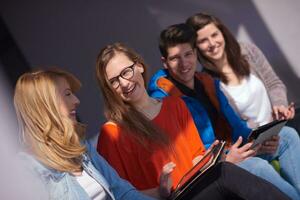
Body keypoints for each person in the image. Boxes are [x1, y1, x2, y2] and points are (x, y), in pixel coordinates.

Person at [95, 42, 290, 200]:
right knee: (250, 168)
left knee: (268, 154)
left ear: (138, 66)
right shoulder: (112, 133)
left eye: (126, 72)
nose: (124, 83)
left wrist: (219, 158)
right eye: (113, 81)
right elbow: (118, 194)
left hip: (200, 185)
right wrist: (159, 191)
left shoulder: (175, 105)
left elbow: (197, 158)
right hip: (173, 197)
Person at [148, 23, 300, 199]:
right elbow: (185, 149)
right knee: (257, 167)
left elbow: (236, 125)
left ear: (196, 54)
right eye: (175, 58)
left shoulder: (207, 81)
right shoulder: (162, 96)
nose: (184, 63)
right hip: (210, 164)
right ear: (165, 62)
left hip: (231, 149)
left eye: (188, 54)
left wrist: (257, 140)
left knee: (287, 136)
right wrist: (226, 157)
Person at [14, 68, 154, 200]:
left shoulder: (81, 146)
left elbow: (122, 192)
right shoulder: (27, 169)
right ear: (45, 105)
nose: (76, 100)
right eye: (67, 94)